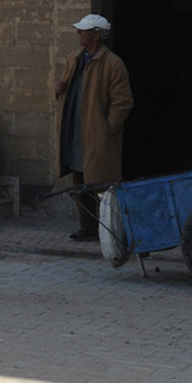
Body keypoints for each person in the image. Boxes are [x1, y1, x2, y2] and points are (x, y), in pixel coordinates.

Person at [55, 14, 133, 241]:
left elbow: (123, 102)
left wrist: (107, 128)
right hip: (75, 130)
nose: (79, 34)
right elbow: (68, 87)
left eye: (84, 31)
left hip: (97, 135)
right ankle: (86, 227)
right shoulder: (74, 58)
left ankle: (107, 230)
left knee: (101, 183)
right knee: (80, 180)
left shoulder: (113, 64)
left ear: (97, 35)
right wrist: (59, 88)